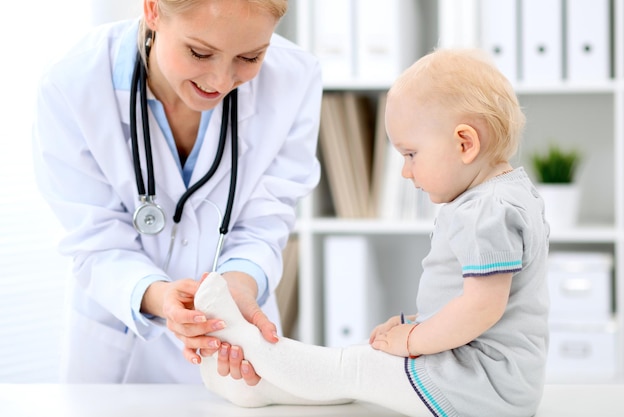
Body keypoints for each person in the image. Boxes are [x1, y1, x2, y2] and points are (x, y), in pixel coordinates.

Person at [194, 48, 551, 417]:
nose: (405, 172)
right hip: (487, 382)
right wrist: (417, 323)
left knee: (359, 367)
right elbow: (484, 303)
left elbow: (481, 308)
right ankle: (262, 390)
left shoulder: (486, 211)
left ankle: (259, 351)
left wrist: (413, 340)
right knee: (362, 382)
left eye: (411, 154)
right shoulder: (505, 197)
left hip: (481, 385)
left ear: (465, 144)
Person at [32, 0, 322, 384]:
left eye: (250, 58)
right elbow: (93, 237)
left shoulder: (295, 78)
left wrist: (236, 286)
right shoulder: (72, 84)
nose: (220, 81)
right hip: (119, 351)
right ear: (152, 9)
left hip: (233, 343)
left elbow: (266, 220)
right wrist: (158, 297)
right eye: (200, 52)